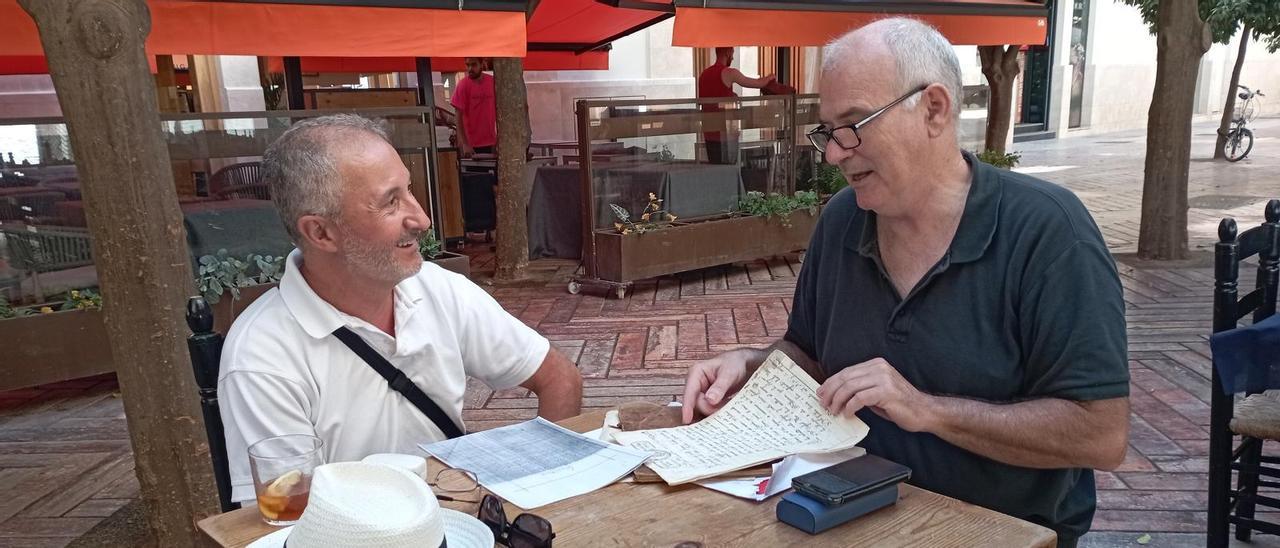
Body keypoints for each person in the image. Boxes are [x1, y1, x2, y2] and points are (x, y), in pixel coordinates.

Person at [681, 19, 1128, 547]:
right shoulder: (843, 219)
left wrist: (927, 410)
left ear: (934, 109)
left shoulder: (1048, 233)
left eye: (853, 124)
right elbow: (809, 352)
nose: (833, 153)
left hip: (998, 532)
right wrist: (751, 364)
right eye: (827, 131)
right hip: (841, 516)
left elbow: (1100, 434)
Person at [218, 114, 583, 504]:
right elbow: (286, 513)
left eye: (409, 190)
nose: (422, 219)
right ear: (321, 233)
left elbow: (560, 380)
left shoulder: (437, 288)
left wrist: (545, 500)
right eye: (390, 203)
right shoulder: (261, 357)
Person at [698, 47, 775, 164]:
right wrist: (770, 77)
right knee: (728, 170)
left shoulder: (704, 75)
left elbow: (712, 97)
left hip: (709, 132)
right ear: (727, 53)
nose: (733, 57)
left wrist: (731, 96)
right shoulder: (730, 73)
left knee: (714, 169)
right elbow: (758, 83)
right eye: (732, 53)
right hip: (726, 134)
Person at [450, 57, 497, 159]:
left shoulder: (492, 82)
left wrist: (498, 140)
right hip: (471, 145)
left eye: (474, 65)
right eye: (468, 65)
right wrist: (465, 144)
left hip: (491, 142)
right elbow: (458, 117)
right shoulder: (463, 85)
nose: (470, 68)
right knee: (475, 174)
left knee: (493, 174)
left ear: (482, 64)